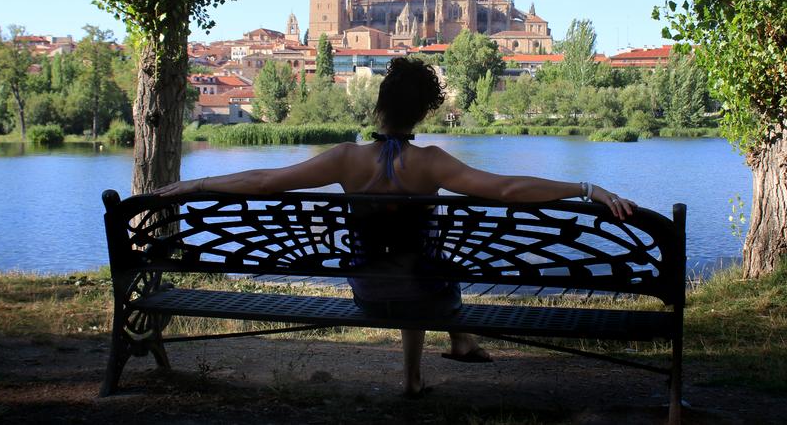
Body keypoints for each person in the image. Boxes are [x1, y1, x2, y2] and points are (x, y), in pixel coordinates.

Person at [156, 57, 635, 398]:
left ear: (378, 104)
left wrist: (196, 184)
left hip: (366, 289)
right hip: (424, 292)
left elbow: (264, 180)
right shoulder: (431, 163)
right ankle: (455, 345)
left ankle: (421, 372)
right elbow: (507, 188)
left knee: (410, 266)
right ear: (424, 113)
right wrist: (583, 187)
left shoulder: (346, 157)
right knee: (429, 265)